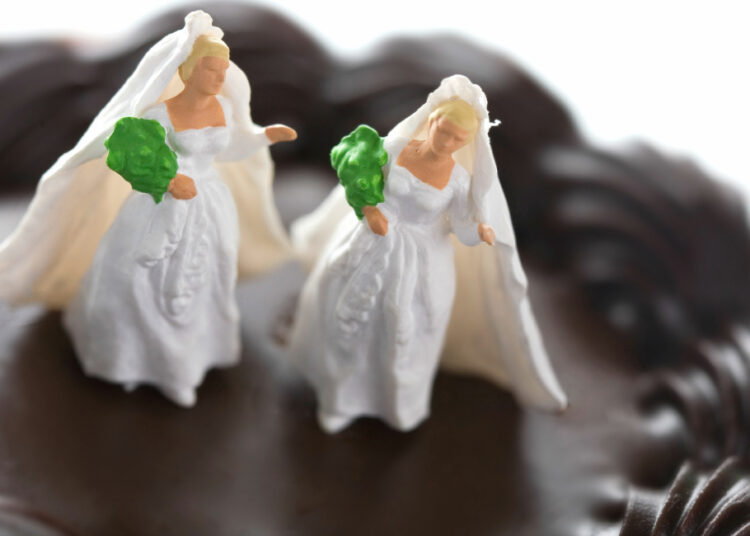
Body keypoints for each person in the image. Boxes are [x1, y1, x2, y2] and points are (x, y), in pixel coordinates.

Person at [0, 11, 296, 406]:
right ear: (189, 71)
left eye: (222, 70)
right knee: (143, 275)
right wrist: (168, 180)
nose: (219, 77)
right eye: (211, 69)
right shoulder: (160, 114)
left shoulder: (221, 110)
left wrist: (263, 136)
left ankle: (185, 360)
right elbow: (133, 157)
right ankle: (131, 357)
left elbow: (231, 146)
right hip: (163, 204)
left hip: (208, 203)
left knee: (203, 274)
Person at [289, 75, 568, 433]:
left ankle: (386, 402)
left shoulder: (459, 181)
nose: (447, 142)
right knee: (347, 317)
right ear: (431, 121)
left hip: (419, 263)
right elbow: (360, 176)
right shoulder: (395, 147)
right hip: (368, 242)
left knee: (400, 327)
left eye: (457, 139)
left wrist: (480, 231)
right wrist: (369, 208)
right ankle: (338, 397)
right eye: (444, 131)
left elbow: (462, 225)